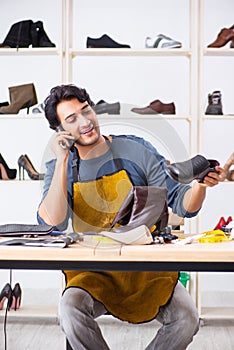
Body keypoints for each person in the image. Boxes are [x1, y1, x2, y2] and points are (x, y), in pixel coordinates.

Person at [37, 84, 225, 350]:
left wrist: (201, 185)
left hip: (147, 269)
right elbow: (51, 223)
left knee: (186, 317)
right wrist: (63, 162)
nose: (85, 121)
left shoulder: (136, 150)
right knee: (69, 309)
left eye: (86, 110)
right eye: (72, 119)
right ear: (61, 131)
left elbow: (183, 204)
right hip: (94, 273)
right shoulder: (60, 167)